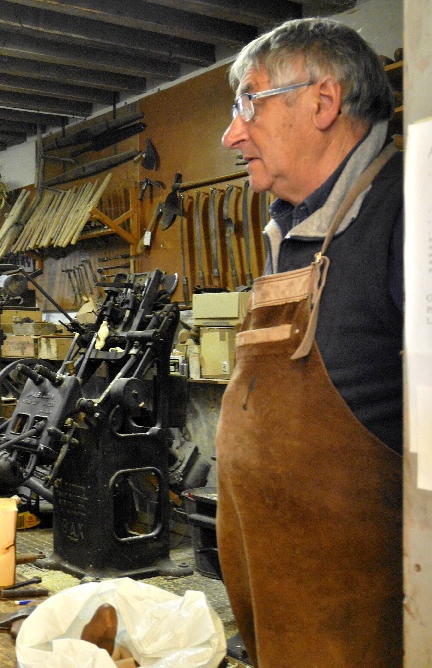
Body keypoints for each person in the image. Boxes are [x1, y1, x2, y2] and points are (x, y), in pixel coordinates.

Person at [215, 18, 403, 667]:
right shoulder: (288, 232)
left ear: (321, 103)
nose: (230, 133)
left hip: (360, 636)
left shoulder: (405, 211)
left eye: (248, 104)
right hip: (281, 625)